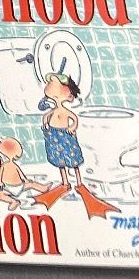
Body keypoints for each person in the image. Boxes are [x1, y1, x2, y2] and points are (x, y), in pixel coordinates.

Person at [36, 68, 116, 218]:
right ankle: (65, 183)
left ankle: (79, 184)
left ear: (69, 95)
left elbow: (74, 119)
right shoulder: (53, 110)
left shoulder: (65, 111)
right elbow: (47, 115)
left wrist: (72, 127)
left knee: (73, 160)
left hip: (65, 136)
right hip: (53, 135)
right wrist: (45, 122)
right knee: (59, 160)